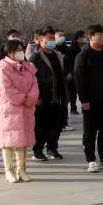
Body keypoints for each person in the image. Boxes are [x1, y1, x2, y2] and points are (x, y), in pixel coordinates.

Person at [74, 25, 103, 172]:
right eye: (99, 35)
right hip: (91, 101)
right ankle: (91, 160)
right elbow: (79, 79)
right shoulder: (84, 55)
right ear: (91, 37)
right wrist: (84, 100)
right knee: (90, 132)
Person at [0, 39, 39, 183]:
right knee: (8, 140)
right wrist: (23, 99)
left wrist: (30, 99)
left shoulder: (28, 67)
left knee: (23, 140)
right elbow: (6, 89)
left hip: (25, 108)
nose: (20, 52)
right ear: (10, 52)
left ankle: (21, 169)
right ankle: (9, 170)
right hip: (9, 109)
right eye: (17, 49)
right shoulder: (3, 68)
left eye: (21, 49)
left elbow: (34, 84)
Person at [29, 27, 67, 161]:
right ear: (39, 40)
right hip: (43, 97)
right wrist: (36, 96)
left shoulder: (58, 55)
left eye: (53, 38)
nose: (52, 41)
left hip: (58, 96)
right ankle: (37, 149)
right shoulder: (35, 57)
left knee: (57, 124)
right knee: (41, 126)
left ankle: (52, 148)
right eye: (48, 39)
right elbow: (31, 79)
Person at [54, 28, 74, 132]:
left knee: (65, 101)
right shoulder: (53, 50)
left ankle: (64, 122)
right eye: (59, 36)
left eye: (63, 36)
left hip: (66, 79)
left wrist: (70, 72)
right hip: (55, 80)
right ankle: (56, 122)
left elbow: (71, 62)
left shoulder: (68, 49)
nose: (62, 38)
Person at [67, 30, 85, 115]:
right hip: (74, 71)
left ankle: (83, 106)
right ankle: (73, 108)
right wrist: (70, 72)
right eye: (83, 37)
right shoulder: (72, 48)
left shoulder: (83, 46)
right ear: (79, 38)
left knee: (83, 90)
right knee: (73, 92)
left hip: (82, 72)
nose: (84, 39)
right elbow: (70, 61)